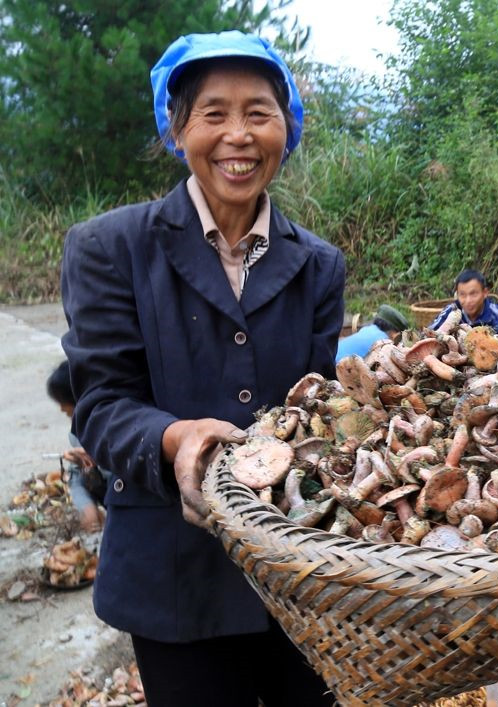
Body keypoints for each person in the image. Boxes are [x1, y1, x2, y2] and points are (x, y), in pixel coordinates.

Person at [60, 30, 344, 705]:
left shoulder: (319, 265)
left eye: (259, 113)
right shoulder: (109, 248)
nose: (238, 135)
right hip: (172, 576)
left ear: (287, 126)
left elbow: (319, 413)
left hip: (298, 578)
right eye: (214, 113)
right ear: (176, 127)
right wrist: (175, 438)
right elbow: (101, 402)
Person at [46, 360, 109, 533]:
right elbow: (76, 477)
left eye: (63, 402)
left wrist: (99, 459)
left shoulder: (112, 430)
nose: (61, 409)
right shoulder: (78, 434)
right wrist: (86, 506)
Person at [429, 269, 498, 335]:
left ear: (485, 293)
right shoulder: (450, 312)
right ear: (457, 295)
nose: (468, 301)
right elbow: (429, 336)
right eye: (462, 294)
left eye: (473, 294)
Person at [335, 304, 409, 362]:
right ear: (395, 334)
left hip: (330, 357)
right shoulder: (383, 343)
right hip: (337, 370)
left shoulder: (366, 329)